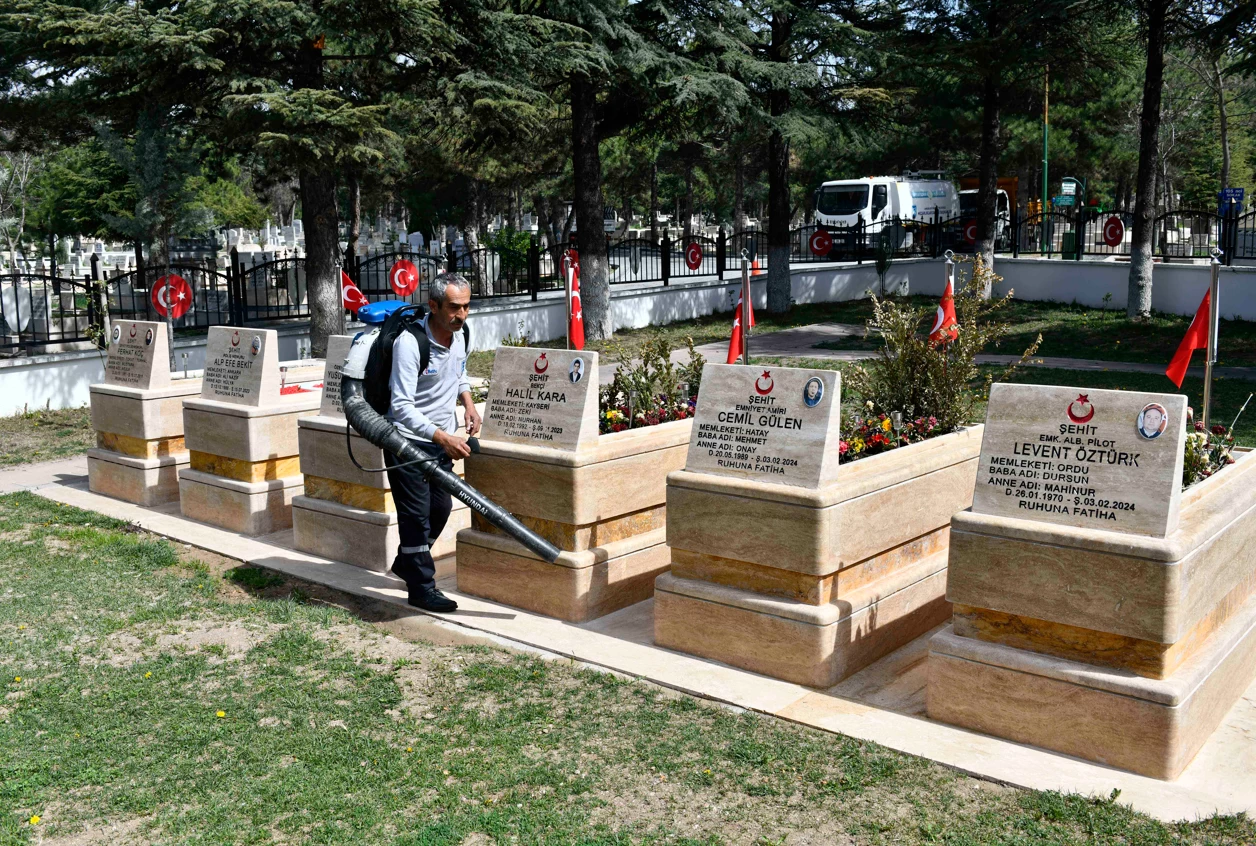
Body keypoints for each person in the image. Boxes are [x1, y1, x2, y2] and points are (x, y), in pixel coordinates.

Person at [386, 272, 481, 612]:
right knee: (416, 517)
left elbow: (460, 373)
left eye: (467, 307)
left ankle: (407, 563)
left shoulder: (461, 334)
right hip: (408, 443)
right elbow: (400, 407)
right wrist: (442, 437)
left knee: (440, 507)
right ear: (433, 305)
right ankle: (422, 588)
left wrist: (468, 403)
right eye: (454, 308)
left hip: (440, 441)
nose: (462, 315)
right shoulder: (410, 344)